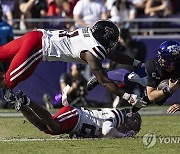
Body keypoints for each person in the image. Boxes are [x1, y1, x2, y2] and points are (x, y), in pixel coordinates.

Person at [0, 20, 147, 108]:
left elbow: (113, 54)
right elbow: (103, 80)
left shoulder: (90, 36)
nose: (113, 42)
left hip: (36, 35)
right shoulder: (92, 51)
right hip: (37, 48)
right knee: (7, 83)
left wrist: (136, 62)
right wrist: (128, 97)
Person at [87, 40, 180, 110]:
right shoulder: (153, 65)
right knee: (130, 78)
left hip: (165, 80)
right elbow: (151, 95)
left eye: (164, 59)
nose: (160, 60)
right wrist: (167, 90)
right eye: (160, 57)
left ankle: (130, 113)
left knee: (157, 100)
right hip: (152, 76)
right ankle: (104, 74)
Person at [10, 90, 142, 138]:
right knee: (53, 127)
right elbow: (107, 130)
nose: (129, 128)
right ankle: (27, 100)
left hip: (76, 122)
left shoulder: (115, 116)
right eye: (130, 126)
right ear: (126, 119)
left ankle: (21, 105)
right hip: (75, 117)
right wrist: (122, 135)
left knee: (45, 127)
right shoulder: (116, 116)